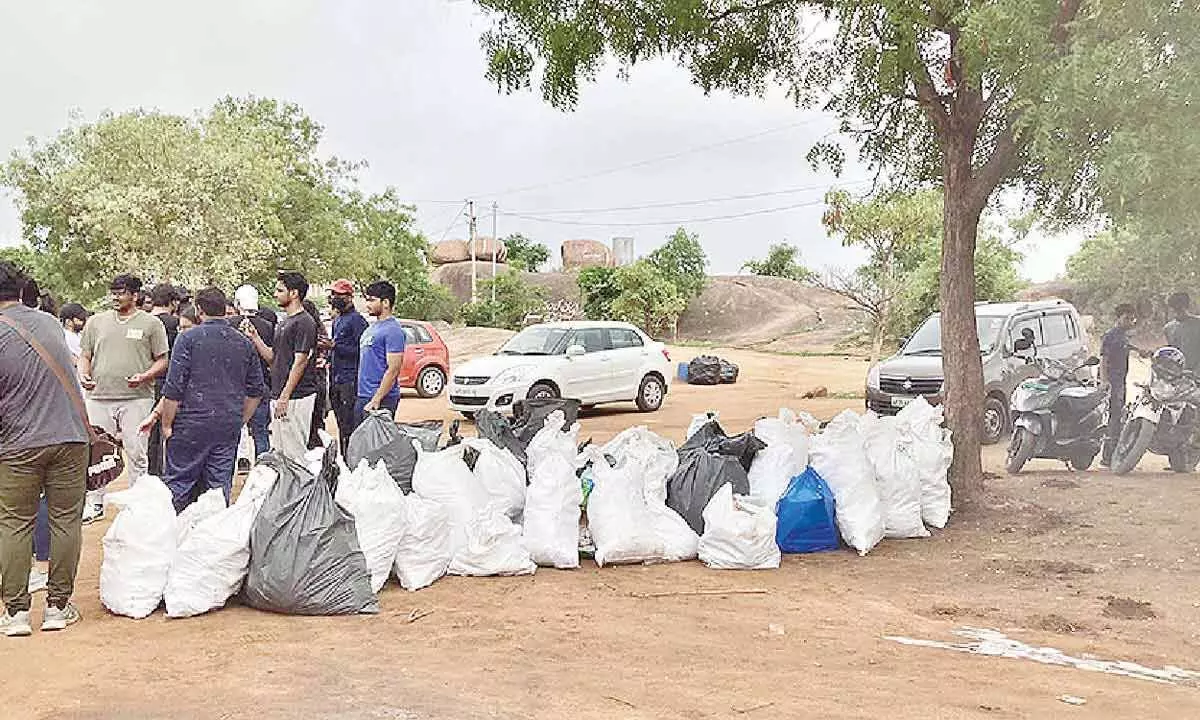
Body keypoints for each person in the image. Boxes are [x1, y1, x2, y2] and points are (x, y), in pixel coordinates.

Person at [0, 260, 88, 636]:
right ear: (20, 292)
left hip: (18, 443)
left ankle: (17, 613)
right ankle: (57, 607)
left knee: (15, 522)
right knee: (65, 519)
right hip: (70, 438)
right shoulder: (50, 323)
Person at [144, 288, 265, 511]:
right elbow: (256, 390)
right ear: (226, 310)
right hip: (227, 423)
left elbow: (174, 387)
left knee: (179, 485)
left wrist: (167, 424)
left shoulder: (187, 339)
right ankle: (213, 539)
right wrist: (240, 419)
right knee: (218, 489)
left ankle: (175, 537)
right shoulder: (244, 343)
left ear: (199, 310)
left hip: (190, 424)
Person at [77, 274, 169, 523]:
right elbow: (85, 355)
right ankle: (94, 503)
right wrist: (83, 374)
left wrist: (145, 376)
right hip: (98, 397)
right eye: (114, 292)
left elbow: (163, 359)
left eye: (121, 292)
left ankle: (137, 505)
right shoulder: (96, 322)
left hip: (136, 398)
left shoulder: (151, 324)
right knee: (96, 453)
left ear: (135, 295)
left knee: (136, 451)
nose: (116, 297)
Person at [244, 271, 320, 462]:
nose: (275, 294)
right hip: (279, 395)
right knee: (281, 451)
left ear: (294, 293)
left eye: (280, 290)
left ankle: (300, 491)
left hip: (297, 397)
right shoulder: (283, 323)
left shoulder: (305, 322)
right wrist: (255, 337)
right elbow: (273, 359)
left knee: (294, 453)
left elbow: (300, 361)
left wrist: (285, 396)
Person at [355, 280, 407, 428]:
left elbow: (393, 369)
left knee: (378, 447)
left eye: (372, 300)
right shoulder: (372, 327)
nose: (367, 304)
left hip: (381, 398)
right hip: (364, 395)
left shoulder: (393, 330)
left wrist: (377, 399)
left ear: (385, 302)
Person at [234, 284, 274, 459]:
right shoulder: (268, 326)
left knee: (234, 429)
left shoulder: (230, 325)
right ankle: (263, 466)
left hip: (234, 384)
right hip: (261, 383)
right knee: (261, 431)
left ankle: (241, 459)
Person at [328, 279, 368, 454]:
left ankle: (352, 459)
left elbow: (362, 351)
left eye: (339, 295)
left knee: (350, 425)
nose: (334, 298)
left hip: (350, 381)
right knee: (341, 425)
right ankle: (345, 458)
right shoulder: (338, 320)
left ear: (349, 297)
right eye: (333, 294)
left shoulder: (357, 321)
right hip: (336, 379)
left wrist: (335, 347)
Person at [146, 284, 181, 477]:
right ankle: (162, 473)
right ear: (173, 301)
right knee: (166, 429)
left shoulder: (143, 322)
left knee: (148, 430)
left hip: (143, 383)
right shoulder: (175, 324)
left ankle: (149, 472)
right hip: (168, 382)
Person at [1100, 304, 1141, 467]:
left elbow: (1124, 346)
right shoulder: (1110, 335)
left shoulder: (1123, 335)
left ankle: (1112, 454)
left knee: (1118, 415)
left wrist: (1139, 350)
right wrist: (1104, 381)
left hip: (1121, 381)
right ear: (1118, 318)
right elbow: (1103, 359)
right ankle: (1107, 457)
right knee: (1114, 417)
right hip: (1112, 382)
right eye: (1127, 318)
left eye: (1132, 319)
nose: (1130, 322)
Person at [303, 299, 332, 450]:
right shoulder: (321, 332)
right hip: (319, 378)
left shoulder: (310, 332)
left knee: (308, 420)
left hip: (309, 380)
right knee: (317, 420)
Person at [1164, 292, 1200, 373]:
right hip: (1178, 374)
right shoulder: (1168, 328)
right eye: (1174, 308)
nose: (1177, 311)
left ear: (1186, 306)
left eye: (1180, 308)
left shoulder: (1198, 323)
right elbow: (1173, 352)